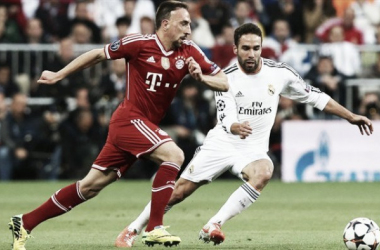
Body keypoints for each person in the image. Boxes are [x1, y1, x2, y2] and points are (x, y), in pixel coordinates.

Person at [115, 22, 373, 248]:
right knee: (179, 192)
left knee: (264, 171)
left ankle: (213, 225)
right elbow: (225, 116)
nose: (252, 54)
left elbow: (316, 96)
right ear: (235, 49)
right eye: (246, 48)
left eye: (256, 48)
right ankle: (131, 230)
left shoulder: (280, 73)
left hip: (252, 150)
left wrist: (351, 116)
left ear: (262, 48)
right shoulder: (225, 77)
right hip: (222, 143)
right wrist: (235, 126)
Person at [8, 1, 228, 249]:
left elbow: (224, 82)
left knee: (90, 187)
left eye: (189, 23)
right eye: (184, 23)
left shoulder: (189, 50)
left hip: (141, 126)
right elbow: (97, 54)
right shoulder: (139, 43)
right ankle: (155, 227)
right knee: (174, 155)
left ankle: (24, 222)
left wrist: (202, 78)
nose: (189, 29)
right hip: (129, 119)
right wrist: (59, 74)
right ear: (165, 24)